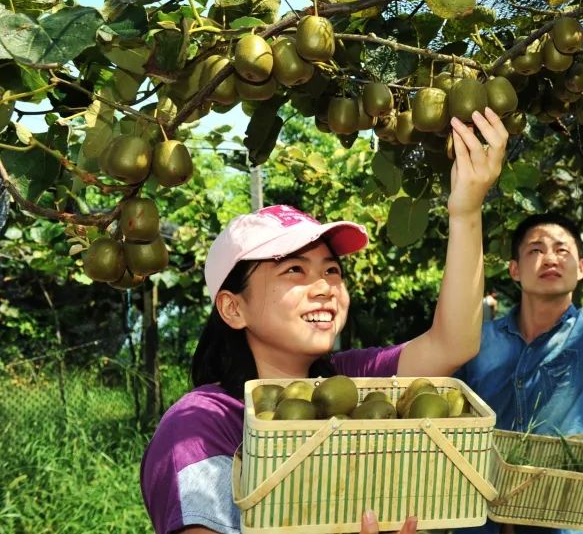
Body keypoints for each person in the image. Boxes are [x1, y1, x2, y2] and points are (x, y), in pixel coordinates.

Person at [140, 109, 508, 534]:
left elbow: (453, 344)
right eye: (294, 271)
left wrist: (466, 211)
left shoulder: (352, 385)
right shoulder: (200, 424)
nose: (324, 286)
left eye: (332, 270)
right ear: (232, 308)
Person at [454, 109, 583, 534]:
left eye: (563, 250)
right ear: (513, 270)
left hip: (566, 524)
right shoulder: (477, 340)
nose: (550, 257)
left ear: (581, 268)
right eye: (535, 250)